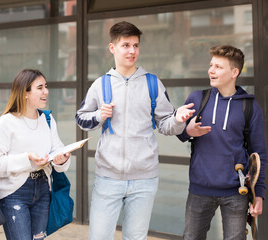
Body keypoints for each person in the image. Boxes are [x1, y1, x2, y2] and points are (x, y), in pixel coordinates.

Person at [76, 21, 194, 240]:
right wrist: (99, 116)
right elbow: (81, 119)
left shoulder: (152, 83)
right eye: (126, 45)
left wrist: (178, 120)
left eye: (136, 45)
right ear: (113, 48)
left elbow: (166, 124)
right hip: (107, 177)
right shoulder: (101, 85)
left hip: (144, 179)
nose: (132, 51)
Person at [177, 45, 267, 240]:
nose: (211, 70)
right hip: (199, 189)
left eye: (218, 66)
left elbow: (259, 155)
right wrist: (187, 131)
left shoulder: (249, 106)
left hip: (236, 192)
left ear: (234, 72)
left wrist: (258, 194)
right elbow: (179, 132)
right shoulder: (197, 99)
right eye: (211, 65)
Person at [0, 68, 71, 240]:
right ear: (25, 92)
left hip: (42, 189)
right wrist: (27, 159)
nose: (46, 92)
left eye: (46, 86)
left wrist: (61, 160)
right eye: (40, 87)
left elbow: (57, 150)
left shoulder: (47, 120)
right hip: (14, 193)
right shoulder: (5, 123)